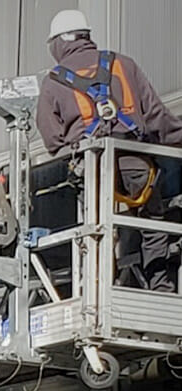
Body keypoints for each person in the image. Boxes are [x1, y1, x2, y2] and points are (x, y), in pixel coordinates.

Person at [36, 9, 182, 292]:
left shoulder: (53, 82)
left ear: (58, 43)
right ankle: (160, 288)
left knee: (96, 228)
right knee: (153, 224)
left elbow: (53, 141)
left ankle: (98, 288)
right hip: (136, 164)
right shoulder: (124, 65)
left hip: (92, 169)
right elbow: (157, 119)